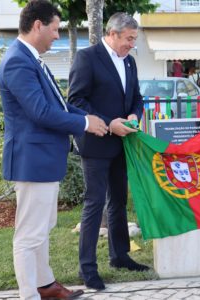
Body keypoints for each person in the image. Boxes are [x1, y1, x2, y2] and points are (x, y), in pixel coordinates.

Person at [0, 1, 107, 299]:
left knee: (43, 227)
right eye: (55, 29)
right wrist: (83, 123)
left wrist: (89, 118)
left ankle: (45, 286)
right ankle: (29, 295)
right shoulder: (19, 61)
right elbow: (41, 112)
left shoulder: (31, 59)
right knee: (29, 235)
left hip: (42, 159)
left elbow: (57, 105)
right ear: (38, 26)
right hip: (32, 160)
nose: (57, 35)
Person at [68, 12, 148, 291]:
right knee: (94, 203)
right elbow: (76, 100)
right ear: (112, 34)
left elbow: (136, 98)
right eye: (128, 39)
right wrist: (109, 123)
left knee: (118, 202)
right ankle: (88, 268)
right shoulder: (87, 58)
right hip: (97, 142)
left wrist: (135, 116)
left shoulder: (130, 62)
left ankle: (119, 256)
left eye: (134, 40)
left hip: (122, 142)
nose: (131, 45)